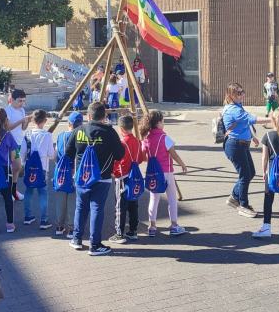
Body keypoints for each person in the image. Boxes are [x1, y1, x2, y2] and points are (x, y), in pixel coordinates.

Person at [65, 102, 125, 256]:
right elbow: (120, 155)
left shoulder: (78, 130)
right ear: (104, 116)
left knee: (80, 207)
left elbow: (68, 152)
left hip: (81, 177)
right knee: (97, 208)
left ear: (89, 116)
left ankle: (77, 239)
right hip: (102, 177)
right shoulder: (109, 132)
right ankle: (95, 244)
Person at [222, 82, 267, 219]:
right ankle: (243, 205)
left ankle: (234, 197)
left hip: (242, 145)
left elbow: (244, 123)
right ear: (231, 95)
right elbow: (251, 119)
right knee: (245, 175)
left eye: (242, 91)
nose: (242, 95)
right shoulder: (233, 109)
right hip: (235, 146)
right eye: (238, 93)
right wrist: (272, 119)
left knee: (250, 173)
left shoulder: (238, 106)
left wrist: (252, 137)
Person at [141, 110, 188, 237]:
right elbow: (174, 154)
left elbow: (143, 156)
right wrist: (182, 164)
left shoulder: (146, 139)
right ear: (158, 123)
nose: (163, 123)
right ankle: (174, 225)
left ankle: (152, 226)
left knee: (153, 198)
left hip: (152, 173)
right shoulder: (165, 138)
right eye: (162, 121)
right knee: (172, 198)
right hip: (166, 172)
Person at [252, 108, 279, 240]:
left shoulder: (267, 136)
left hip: (271, 172)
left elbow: (264, 157)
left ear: (272, 120)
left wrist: (264, 171)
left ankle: (266, 228)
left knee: (268, 200)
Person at [110, 115, 144, 244]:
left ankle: (119, 233)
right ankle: (133, 230)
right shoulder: (137, 141)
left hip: (123, 177)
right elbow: (140, 159)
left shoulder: (122, 143)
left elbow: (120, 162)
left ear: (121, 129)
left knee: (120, 205)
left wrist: (115, 173)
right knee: (133, 203)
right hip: (134, 176)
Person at [22, 110, 55, 228]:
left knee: (28, 191)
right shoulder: (47, 135)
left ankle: (27, 216)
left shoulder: (27, 134)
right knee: (43, 193)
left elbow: (22, 152)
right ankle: (44, 220)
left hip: (29, 167)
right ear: (45, 121)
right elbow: (51, 154)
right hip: (43, 168)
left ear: (33, 120)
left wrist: (22, 164)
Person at [54, 112, 83, 238]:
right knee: (73, 201)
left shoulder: (60, 136)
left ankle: (59, 226)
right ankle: (71, 228)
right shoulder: (80, 136)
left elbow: (55, 156)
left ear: (69, 123)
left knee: (61, 199)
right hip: (74, 172)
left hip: (61, 172)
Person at [4, 89, 31, 202]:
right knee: (12, 168)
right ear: (12, 100)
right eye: (20, 101)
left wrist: (27, 121)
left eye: (24, 101)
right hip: (9, 144)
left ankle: (13, 190)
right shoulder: (7, 110)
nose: (22, 103)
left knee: (16, 168)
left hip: (19, 143)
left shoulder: (22, 110)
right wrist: (21, 120)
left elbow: (23, 128)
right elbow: (8, 127)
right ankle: (8, 192)